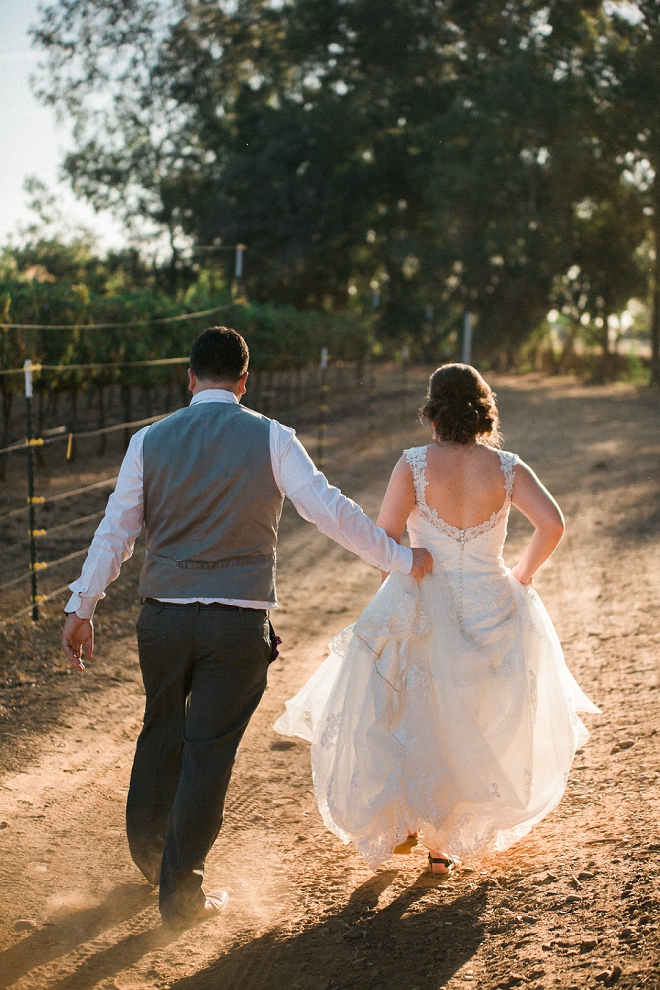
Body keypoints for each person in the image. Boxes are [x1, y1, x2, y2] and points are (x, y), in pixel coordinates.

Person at [61, 327, 433, 926]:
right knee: (207, 754)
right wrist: (400, 557)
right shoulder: (273, 438)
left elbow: (116, 531)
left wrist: (83, 605)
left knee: (160, 732)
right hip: (236, 626)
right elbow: (329, 509)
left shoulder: (148, 440)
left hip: (162, 619)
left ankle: (152, 856)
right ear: (243, 380)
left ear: (189, 378)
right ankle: (180, 894)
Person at [274, 363, 599, 875]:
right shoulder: (509, 467)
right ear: (483, 410)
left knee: (413, 710)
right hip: (493, 598)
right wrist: (523, 574)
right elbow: (552, 524)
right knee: (475, 716)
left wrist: (402, 571)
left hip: (424, 593)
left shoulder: (414, 464)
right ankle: (442, 847)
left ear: (432, 411)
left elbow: (385, 537)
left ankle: (408, 820)